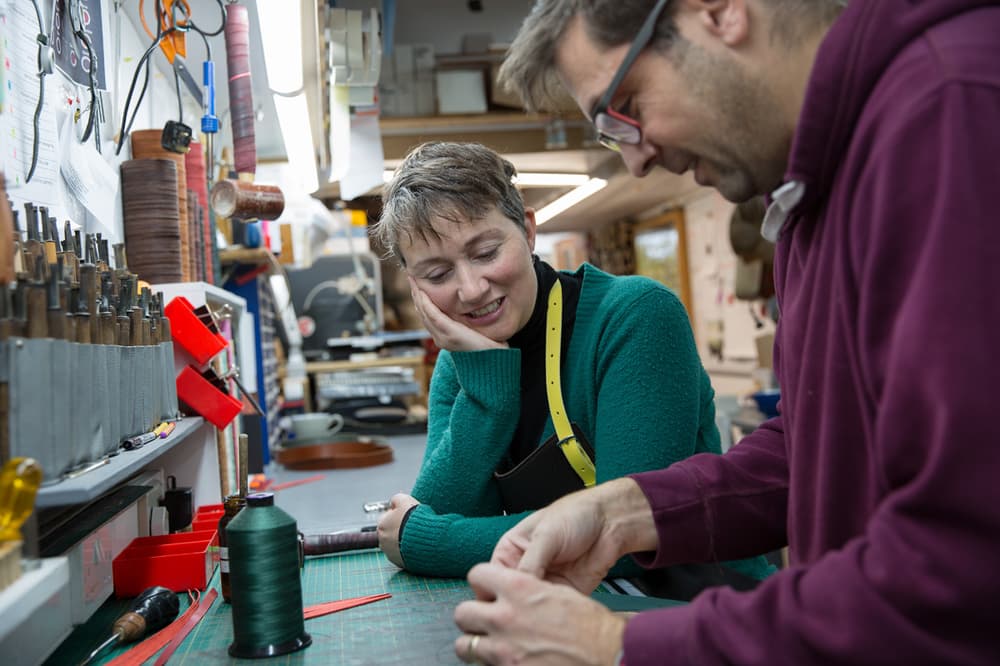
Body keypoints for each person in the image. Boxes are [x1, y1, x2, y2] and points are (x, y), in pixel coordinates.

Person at [451, 0, 1000, 664]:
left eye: (626, 103)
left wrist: (615, 644)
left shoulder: (951, 113)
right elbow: (821, 443)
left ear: (719, 10)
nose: (637, 160)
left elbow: (962, 569)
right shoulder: (808, 190)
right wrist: (627, 511)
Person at [371, 141, 773, 588]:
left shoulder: (634, 317)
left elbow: (628, 539)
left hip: (701, 606)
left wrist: (431, 541)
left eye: (485, 253)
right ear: (414, 285)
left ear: (526, 230)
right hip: (575, 606)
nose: (470, 289)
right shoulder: (460, 366)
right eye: (438, 275)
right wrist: (486, 397)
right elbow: (449, 512)